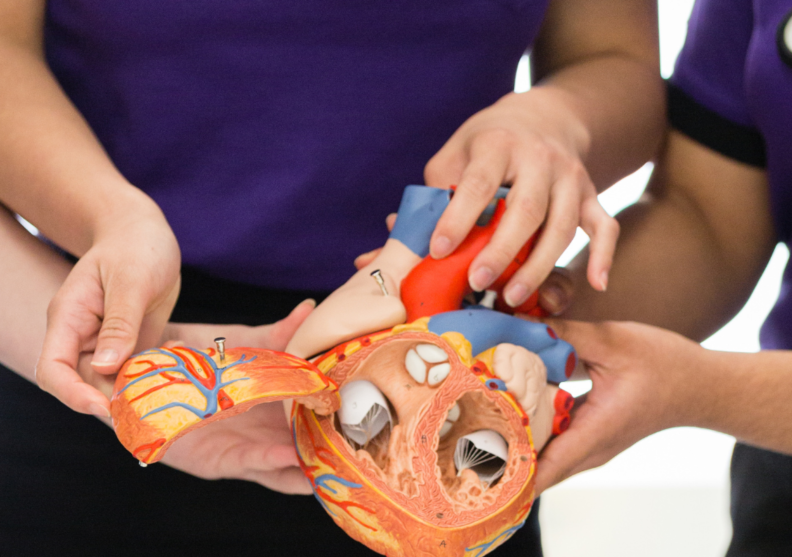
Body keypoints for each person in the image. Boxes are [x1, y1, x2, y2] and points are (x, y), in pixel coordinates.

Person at [0, 0, 662, 554]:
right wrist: (108, 219)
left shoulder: (466, 410)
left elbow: (615, 63)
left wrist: (553, 122)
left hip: (461, 364)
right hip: (93, 320)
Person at [535, 0, 792, 553]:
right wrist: (523, 324)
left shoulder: (709, 390)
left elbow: (695, 387)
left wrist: (698, 388)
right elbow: (709, 219)